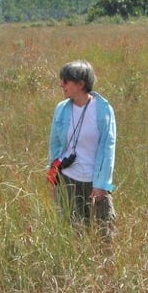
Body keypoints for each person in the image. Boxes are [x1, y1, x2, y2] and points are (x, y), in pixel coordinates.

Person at [48, 60, 117, 242]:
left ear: (81, 84)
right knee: (73, 231)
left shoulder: (103, 110)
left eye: (66, 81)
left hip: (95, 182)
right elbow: (55, 145)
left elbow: (108, 148)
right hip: (68, 179)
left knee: (104, 233)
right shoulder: (61, 109)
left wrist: (102, 184)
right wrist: (53, 178)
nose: (61, 85)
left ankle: (105, 269)